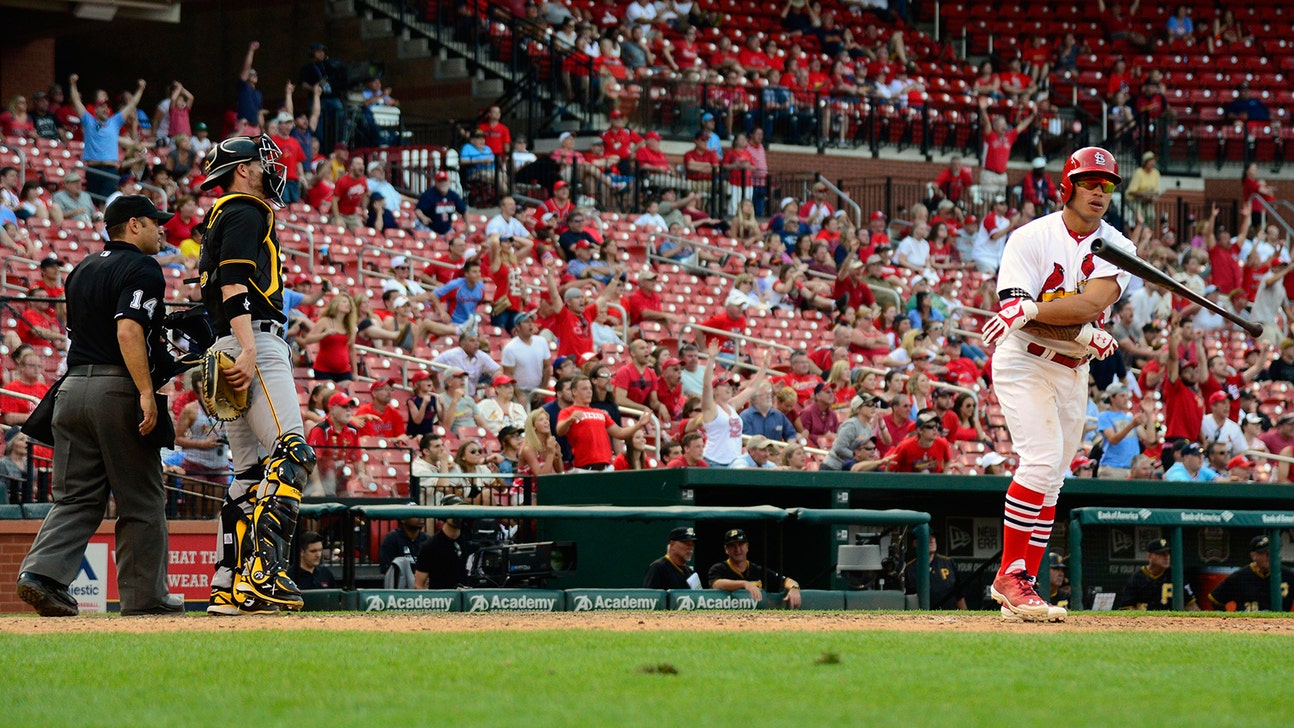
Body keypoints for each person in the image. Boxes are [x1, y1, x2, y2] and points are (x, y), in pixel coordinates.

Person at [979, 146, 1132, 624]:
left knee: (1054, 480)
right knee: (1041, 460)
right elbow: (1015, 322)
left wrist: (1037, 311)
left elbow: (1087, 306)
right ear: (1068, 185)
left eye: (1106, 185)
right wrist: (1038, 318)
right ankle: (1011, 576)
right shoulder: (1030, 237)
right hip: (1025, 363)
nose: (1098, 192)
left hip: (1074, 370)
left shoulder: (1119, 246)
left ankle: (1018, 584)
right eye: (1089, 182)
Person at [16, 195, 180, 618]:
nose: (161, 229)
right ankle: (147, 598)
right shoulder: (143, 267)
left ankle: (42, 575)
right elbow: (128, 330)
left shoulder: (82, 268)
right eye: (154, 221)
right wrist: (146, 391)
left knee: (76, 498)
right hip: (116, 389)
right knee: (141, 500)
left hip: (70, 392)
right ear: (132, 225)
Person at [198, 134, 314, 615]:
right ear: (242, 169)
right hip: (254, 341)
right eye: (262, 161)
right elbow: (233, 280)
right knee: (292, 452)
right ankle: (265, 574)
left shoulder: (220, 213)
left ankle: (228, 583)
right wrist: (248, 348)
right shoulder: (247, 208)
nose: (271, 168)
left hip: (227, 342)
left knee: (246, 474)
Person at [557, 374, 652, 472]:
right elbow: (560, 431)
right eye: (585, 389)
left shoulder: (600, 413)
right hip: (584, 467)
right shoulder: (568, 411)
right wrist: (569, 420)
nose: (589, 391)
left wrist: (639, 424)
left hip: (606, 467)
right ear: (574, 391)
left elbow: (620, 433)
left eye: (590, 388)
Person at [700, 340, 772, 467]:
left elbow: (751, 388)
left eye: (730, 386)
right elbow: (706, 385)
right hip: (714, 461)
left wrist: (764, 366)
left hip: (734, 461)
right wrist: (711, 359)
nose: (729, 388)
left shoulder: (731, 405)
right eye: (725, 386)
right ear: (715, 391)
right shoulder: (711, 408)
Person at [708, 528, 801, 608]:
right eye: (732, 545)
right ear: (726, 549)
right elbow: (716, 584)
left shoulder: (757, 570)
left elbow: (786, 581)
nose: (737, 549)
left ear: (747, 547)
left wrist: (794, 588)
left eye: (740, 544)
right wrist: (744, 584)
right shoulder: (719, 568)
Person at [1206, 536, 1294, 612]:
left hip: (1278, 627)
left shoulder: (1288, 575)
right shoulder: (1240, 576)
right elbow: (1215, 599)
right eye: (1264, 553)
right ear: (1253, 556)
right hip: (1247, 626)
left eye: (1271, 553)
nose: (1269, 557)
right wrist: (1227, 622)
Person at [1115, 538, 1198, 611]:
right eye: (1161, 554)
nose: (1166, 557)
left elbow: (1190, 605)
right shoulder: (1137, 578)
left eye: (1168, 553)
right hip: (1145, 624)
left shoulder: (1175, 575)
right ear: (1150, 556)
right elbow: (1127, 607)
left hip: (1171, 623)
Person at [413, 494, 469, 589]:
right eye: (454, 511)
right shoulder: (430, 546)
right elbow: (418, 585)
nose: (458, 515)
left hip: (468, 599)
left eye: (461, 510)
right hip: (441, 600)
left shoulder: (468, 541)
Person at [904, 534, 967, 610]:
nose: (932, 540)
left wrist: (966, 616)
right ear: (915, 543)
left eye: (933, 537)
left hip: (949, 616)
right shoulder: (909, 568)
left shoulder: (948, 562)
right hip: (922, 618)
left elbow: (959, 596)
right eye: (927, 537)